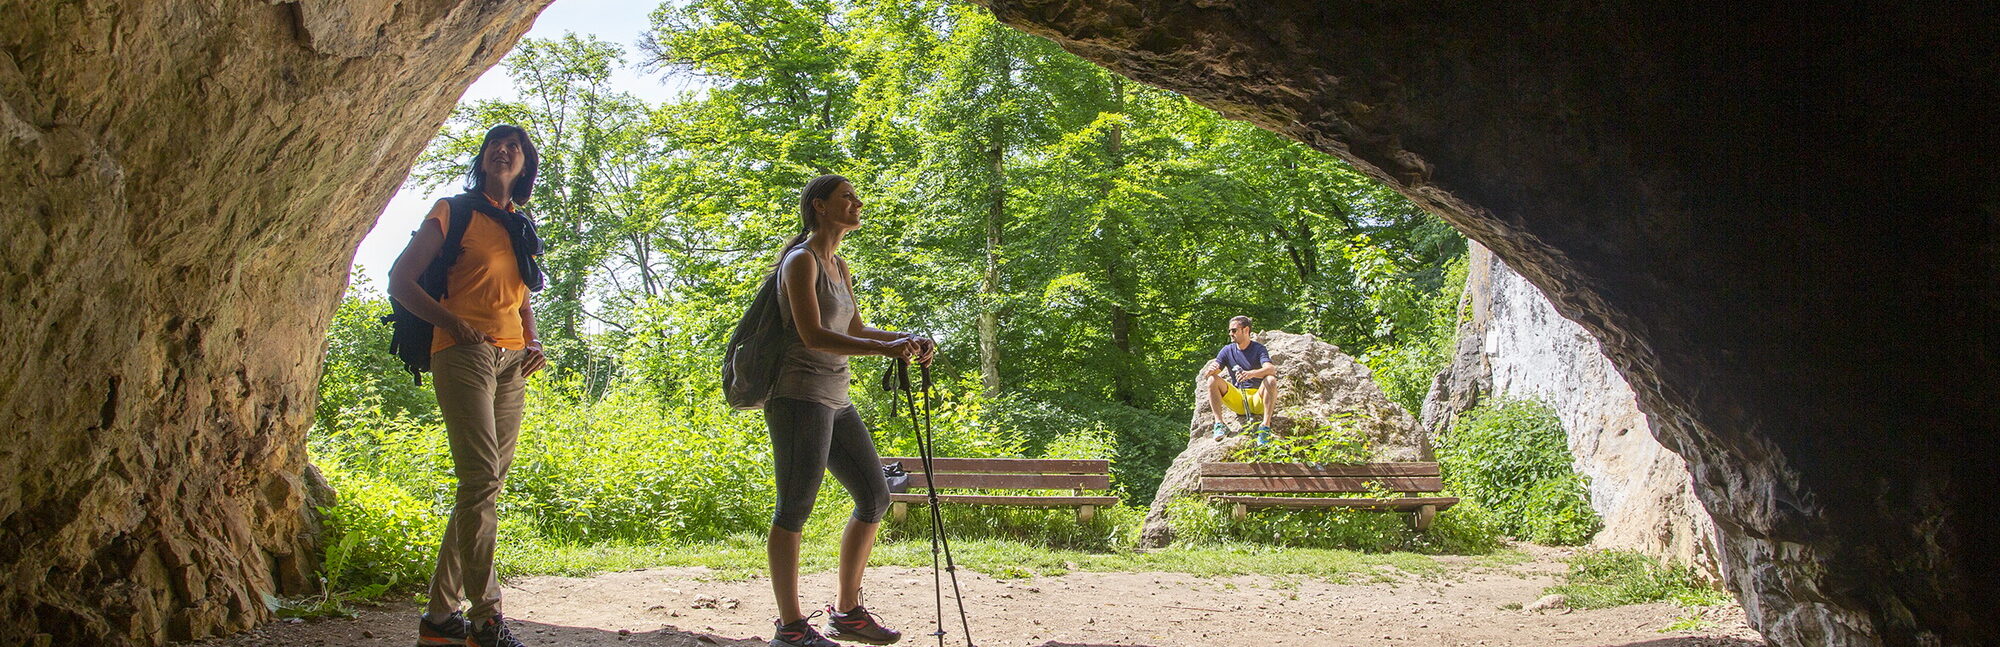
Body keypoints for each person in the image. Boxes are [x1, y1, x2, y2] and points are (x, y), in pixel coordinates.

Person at [391, 124, 548, 647]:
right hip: (463, 352)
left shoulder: (517, 224)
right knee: (480, 482)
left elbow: (518, 289)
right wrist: (453, 324)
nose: (505, 151)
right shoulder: (452, 210)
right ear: (482, 159)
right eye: (495, 145)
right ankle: (486, 619)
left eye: (516, 148)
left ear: (525, 166)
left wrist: (532, 338)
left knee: (483, 489)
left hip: (511, 363)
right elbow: (400, 280)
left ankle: (439, 619)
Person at [764, 174, 934, 647]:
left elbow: (856, 327)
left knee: (875, 496)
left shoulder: (839, 266)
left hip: (835, 397)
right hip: (798, 396)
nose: (858, 203)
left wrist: (906, 340)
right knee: (794, 506)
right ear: (820, 207)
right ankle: (792, 628)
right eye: (847, 197)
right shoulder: (801, 261)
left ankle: (847, 613)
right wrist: (886, 351)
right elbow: (813, 336)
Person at [1203, 315, 1278, 442]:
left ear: (1246, 330)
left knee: (1270, 379)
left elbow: (1271, 370)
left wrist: (1251, 374)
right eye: (1229, 331)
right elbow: (1212, 373)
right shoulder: (1227, 350)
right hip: (1238, 399)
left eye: (1234, 330)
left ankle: (1265, 427)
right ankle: (1219, 424)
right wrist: (1209, 371)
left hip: (1257, 398)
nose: (1231, 334)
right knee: (1212, 380)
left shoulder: (1259, 349)